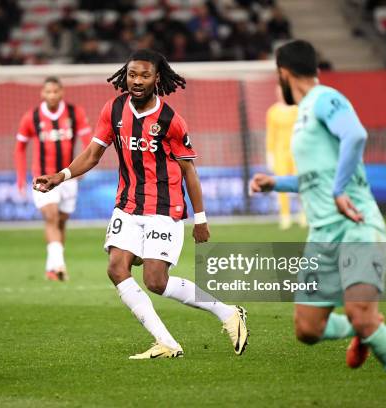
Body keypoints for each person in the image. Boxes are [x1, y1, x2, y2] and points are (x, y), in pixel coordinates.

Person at [34, 49, 249, 359]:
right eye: (132, 74)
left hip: (165, 207)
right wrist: (61, 175)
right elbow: (94, 154)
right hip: (128, 204)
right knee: (116, 268)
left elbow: (189, 170)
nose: (136, 81)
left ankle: (228, 312)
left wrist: (200, 218)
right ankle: (166, 343)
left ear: (156, 78)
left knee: (155, 281)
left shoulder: (171, 120)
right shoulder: (114, 109)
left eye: (144, 75)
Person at [250, 40, 386, 408]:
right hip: (323, 235)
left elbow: (356, 135)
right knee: (307, 330)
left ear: (284, 72)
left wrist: (338, 190)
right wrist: (277, 182)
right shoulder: (302, 115)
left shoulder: (325, 98)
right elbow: (315, 177)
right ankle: (364, 334)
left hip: (356, 224)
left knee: (362, 315)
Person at [14, 76, 92, 281]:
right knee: (51, 216)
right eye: (48, 92)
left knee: (62, 222)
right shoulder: (31, 117)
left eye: (55, 91)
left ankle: (51, 268)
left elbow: (88, 143)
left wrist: (83, 168)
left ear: (61, 92)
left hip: (67, 177)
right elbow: (20, 148)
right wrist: (21, 179)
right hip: (42, 177)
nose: (52, 95)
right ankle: (59, 265)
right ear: (42, 93)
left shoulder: (75, 113)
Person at [265, 86, 306, 229]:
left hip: (297, 151)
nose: (281, 95)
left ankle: (303, 214)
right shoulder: (273, 112)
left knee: (301, 183)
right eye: (279, 92)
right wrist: (269, 154)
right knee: (281, 184)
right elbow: (271, 133)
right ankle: (285, 215)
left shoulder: (297, 109)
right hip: (280, 153)